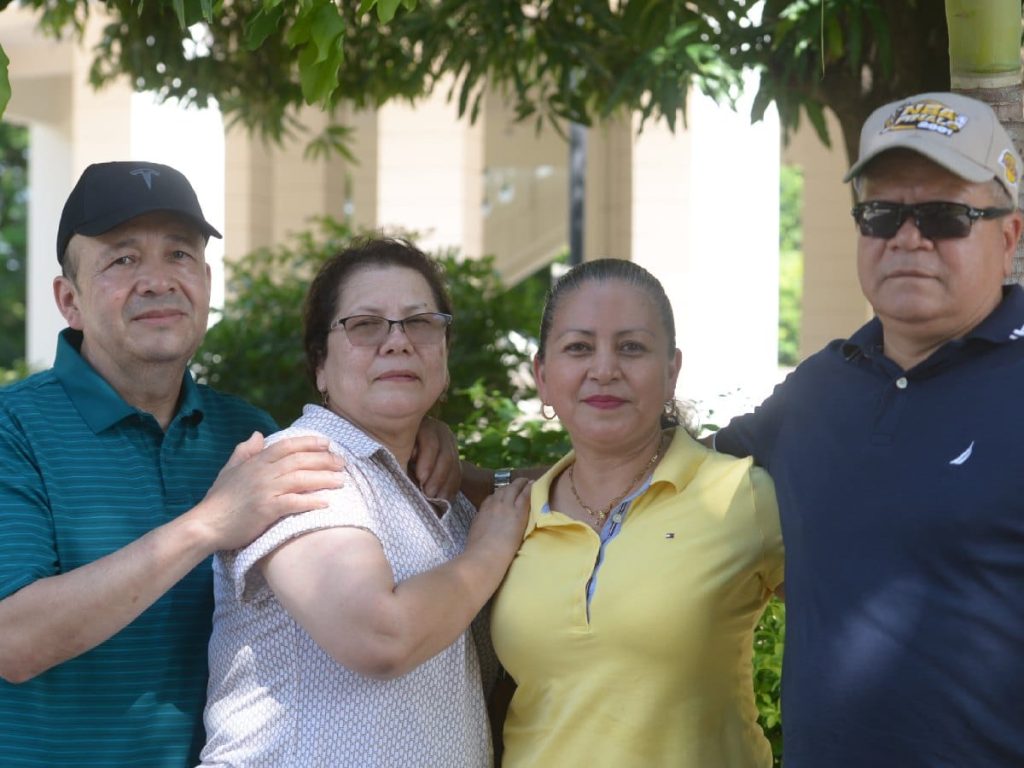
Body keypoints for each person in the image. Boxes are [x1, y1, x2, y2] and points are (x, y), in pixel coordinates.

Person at [0, 162, 454, 768]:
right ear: (69, 300)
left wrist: (430, 441)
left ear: (207, 281)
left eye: (180, 255)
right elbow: (13, 640)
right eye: (123, 260)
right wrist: (208, 524)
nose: (158, 280)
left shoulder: (248, 433)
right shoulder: (13, 428)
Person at [713, 92, 1024, 766]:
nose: (907, 238)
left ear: (1009, 236)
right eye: (882, 214)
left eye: (944, 216)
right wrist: (457, 478)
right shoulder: (820, 390)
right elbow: (653, 475)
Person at [200, 237, 530, 767]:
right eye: (364, 324)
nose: (398, 342)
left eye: (420, 322)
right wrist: (489, 553)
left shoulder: (445, 497)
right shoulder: (301, 465)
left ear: (444, 357)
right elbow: (380, 636)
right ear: (320, 366)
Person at [488, 259, 784, 766]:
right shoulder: (511, 519)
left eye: (632, 347)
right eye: (579, 347)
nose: (604, 369)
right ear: (542, 375)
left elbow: (852, 641)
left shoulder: (742, 496)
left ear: (672, 370)